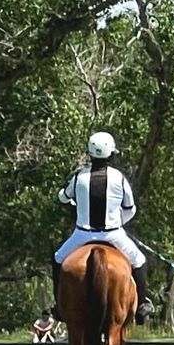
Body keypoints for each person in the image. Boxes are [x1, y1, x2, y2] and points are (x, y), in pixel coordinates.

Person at [54, 130, 154, 325]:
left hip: (82, 234)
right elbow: (130, 208)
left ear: (90, 153)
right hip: (114, 234)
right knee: (139, 260)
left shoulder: (79, 178)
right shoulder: (119, 178)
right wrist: (119, 222)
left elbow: (63, 197)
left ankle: (59, 305)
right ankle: (143, 304)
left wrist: (67, 196)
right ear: (111, 154)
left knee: (58, 260)